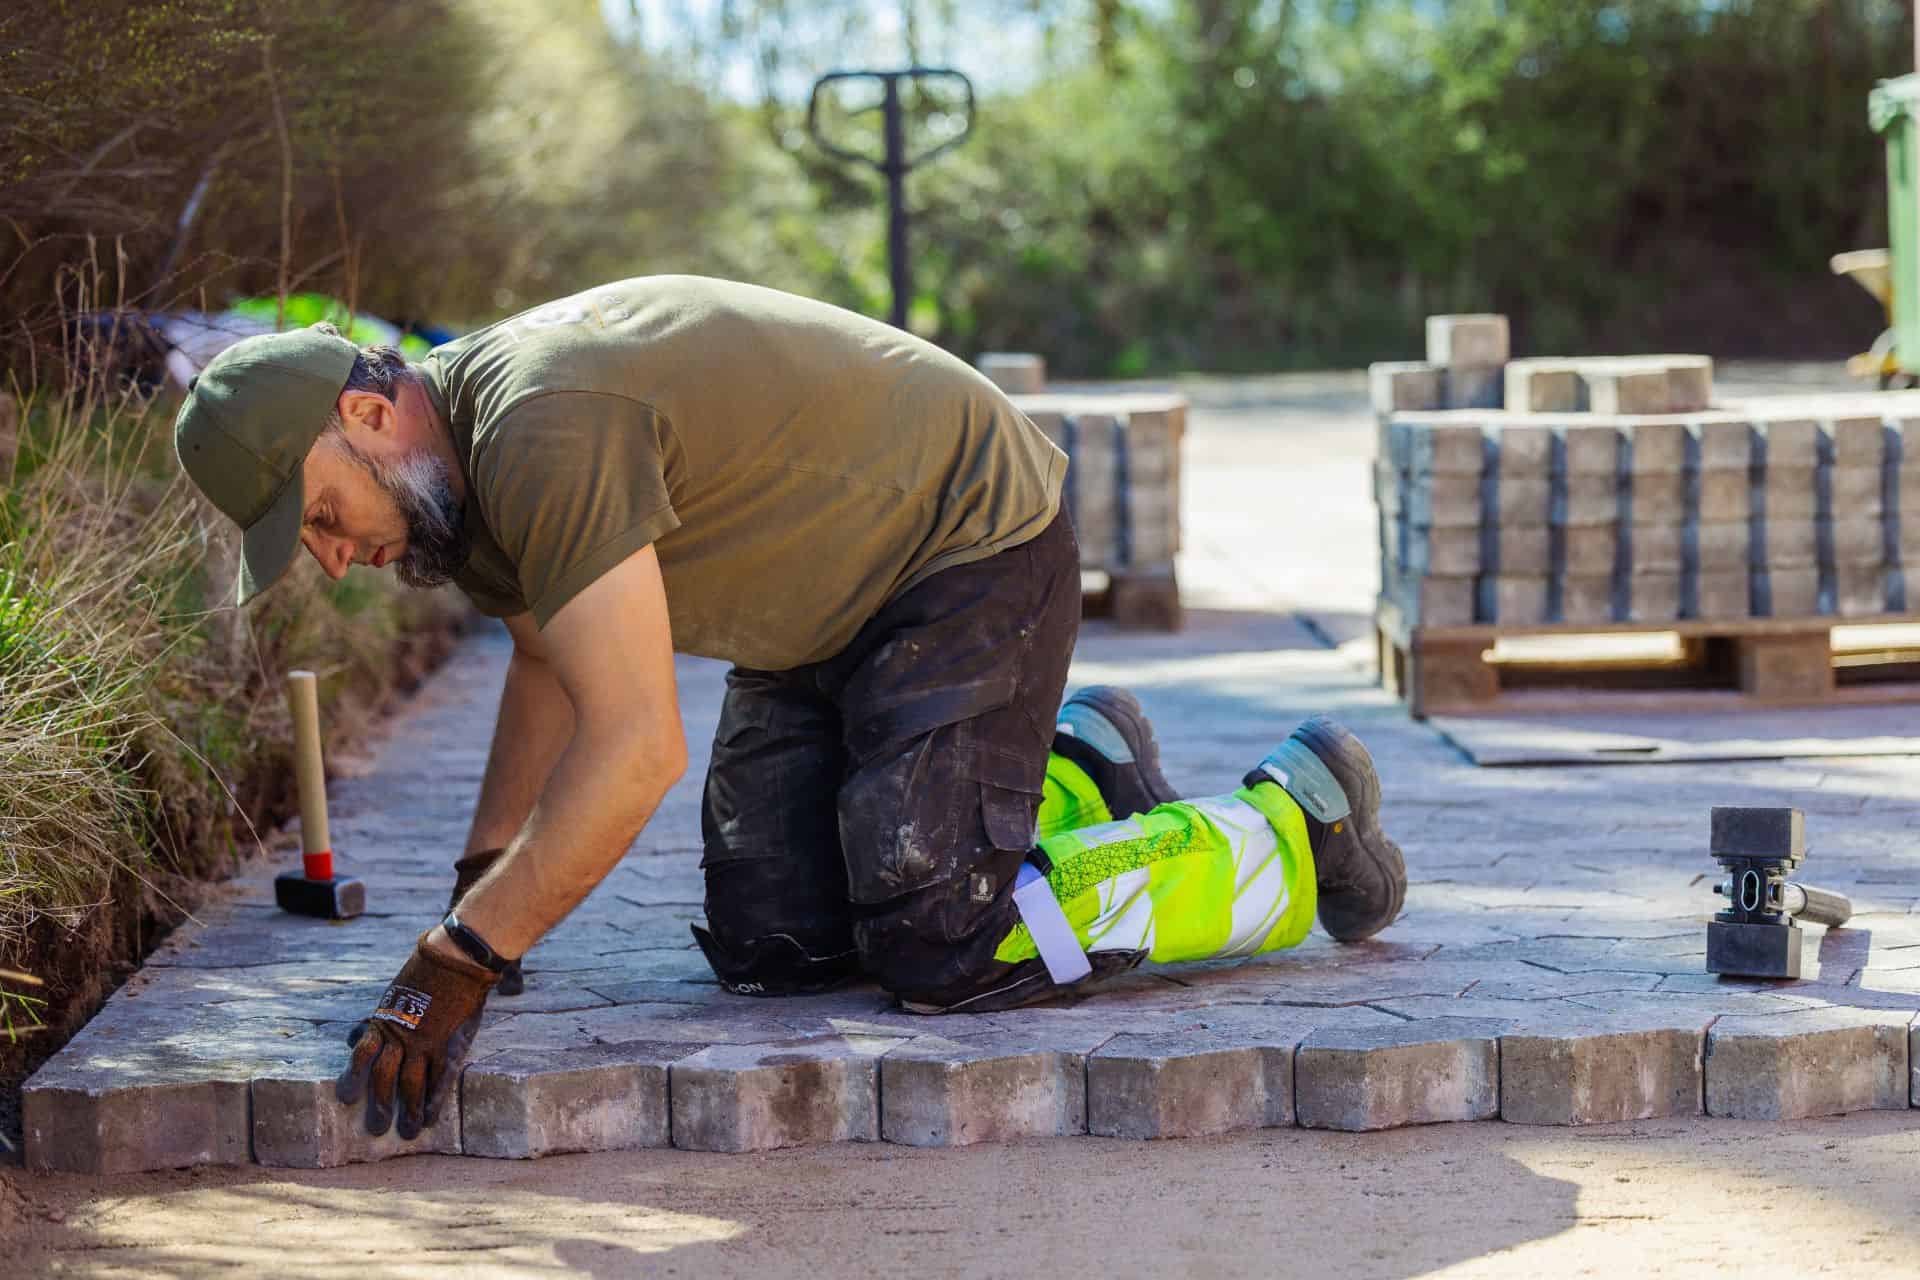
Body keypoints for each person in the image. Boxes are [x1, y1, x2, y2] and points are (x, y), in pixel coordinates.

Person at [172, 275, 1407, 1141]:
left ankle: (1291, 826)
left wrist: (463, 955)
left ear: (367, 416)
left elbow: (636, 745)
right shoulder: (461, 485)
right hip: (819, 611)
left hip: (964, 545)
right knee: (775, 946)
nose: (332, 557)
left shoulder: (540, 426)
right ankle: (1077, 764)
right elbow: (548, 662)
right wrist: (484, 882)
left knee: (939, 937)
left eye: (321, 515)